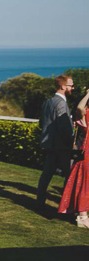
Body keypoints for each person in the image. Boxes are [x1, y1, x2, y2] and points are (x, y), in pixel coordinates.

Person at [36, 75, 75, 210]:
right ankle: (67, 204)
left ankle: (40, 200)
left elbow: (42, 123)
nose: (73, 88)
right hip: (62, 146)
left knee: (47, 173)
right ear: (63, 86)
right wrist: (72, 141)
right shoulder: (61, 103)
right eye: (71, 85)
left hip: (50, 145)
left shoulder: (47, 102)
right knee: (70, 175)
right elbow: (64, 127)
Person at [58, 86, 89, 228]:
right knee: (84, 186)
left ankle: (79, 213)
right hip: (86, 156)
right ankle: (82, 216)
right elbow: (80, 107)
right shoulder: (84, 115)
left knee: (82, 184)